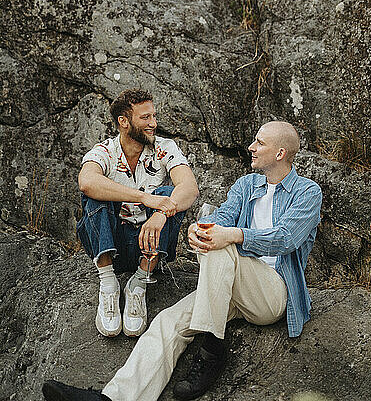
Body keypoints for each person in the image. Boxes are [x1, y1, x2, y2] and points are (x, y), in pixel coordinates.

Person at [42, 120, 322, 401]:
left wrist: (231, 235)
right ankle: (113, 398)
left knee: (222, 246)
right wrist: (202, 228)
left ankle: (213, 348)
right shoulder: (247, 185)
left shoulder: (308, 192)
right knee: (167, 322)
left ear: (280, 153)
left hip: (272, 293)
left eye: (260, 142)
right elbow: (222, 216)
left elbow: (286, 238)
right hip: (229, 287)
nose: (251, 146)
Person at [75, 89, 199, 338]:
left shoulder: (165, 147)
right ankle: (109, 285)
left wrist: (161, 213)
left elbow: (189, 188)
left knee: (170, 193)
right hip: (111, 245)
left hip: (149, 245)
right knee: (96, 194)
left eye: (153, 116)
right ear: (124, 121)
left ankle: (139, 284)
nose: (153, 123)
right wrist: (144, 197)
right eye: (145, 118)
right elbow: (86, 182)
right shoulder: (105, 151)